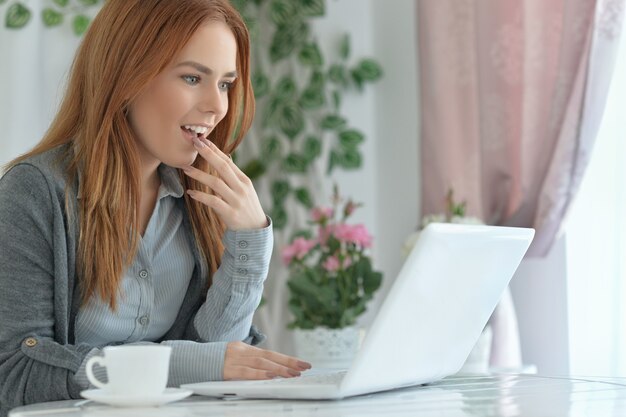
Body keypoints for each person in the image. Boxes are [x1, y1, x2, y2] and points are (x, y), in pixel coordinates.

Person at [0, 0, 310, 413]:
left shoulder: (198, 201)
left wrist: (250, 242)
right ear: (127, 75)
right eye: (192, 77)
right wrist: (181, 363)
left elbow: (219, 361)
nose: (217, 107)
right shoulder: (34, 193)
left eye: (224, 84)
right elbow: (16, 372)